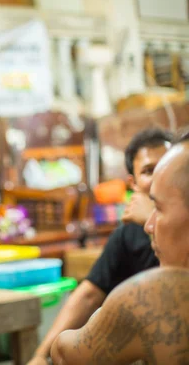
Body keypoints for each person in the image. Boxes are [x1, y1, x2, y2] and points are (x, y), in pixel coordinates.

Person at [27, 128, 172, 365]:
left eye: (167, 166)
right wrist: (40, 356)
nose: (159, 177)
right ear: (133, 183)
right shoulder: (127, 233)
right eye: (148, 171)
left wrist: (152, 219)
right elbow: (89, 293)